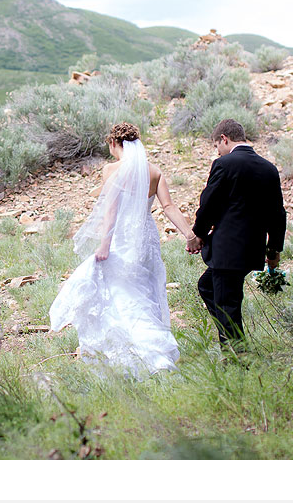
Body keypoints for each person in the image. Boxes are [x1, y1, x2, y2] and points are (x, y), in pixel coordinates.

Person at [49, 122, 196, 378]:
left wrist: (104, 244)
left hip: (122, 238)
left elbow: (111, 209)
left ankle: (133, 355)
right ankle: (155, 352)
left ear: (114, 144)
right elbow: (169, 207)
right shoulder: (155, 171)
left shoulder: (112, 170)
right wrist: (190, 234)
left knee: (122, 295)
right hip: (146, 239)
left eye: (111, 147)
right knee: (146, 293)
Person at [186, 119, 286, 353]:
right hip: (252, 249)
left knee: (227, 305)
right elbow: (277, 213)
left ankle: (237, 358)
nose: (217, 151)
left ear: (224, 139)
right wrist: (273, 250)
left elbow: (208, 204)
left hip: (228, 250)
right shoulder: (269, 168)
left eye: (216, 145)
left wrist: (198, 234)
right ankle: (236, 342)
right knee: (207, 286)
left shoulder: (224, 163)